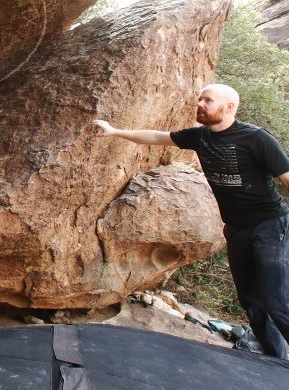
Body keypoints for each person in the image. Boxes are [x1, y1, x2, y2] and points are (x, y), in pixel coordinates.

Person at [93, 83, 289, 358]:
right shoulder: (200, 137)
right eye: (200, 99)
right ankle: (275, 360)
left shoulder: (256, 139)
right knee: (251, 301)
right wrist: (115, 132)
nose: (200, 104)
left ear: (229, 107)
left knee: (276, 300)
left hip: (270, 225)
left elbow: (287, 178)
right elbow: (156, 137)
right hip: (235, 228)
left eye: (208, 100)